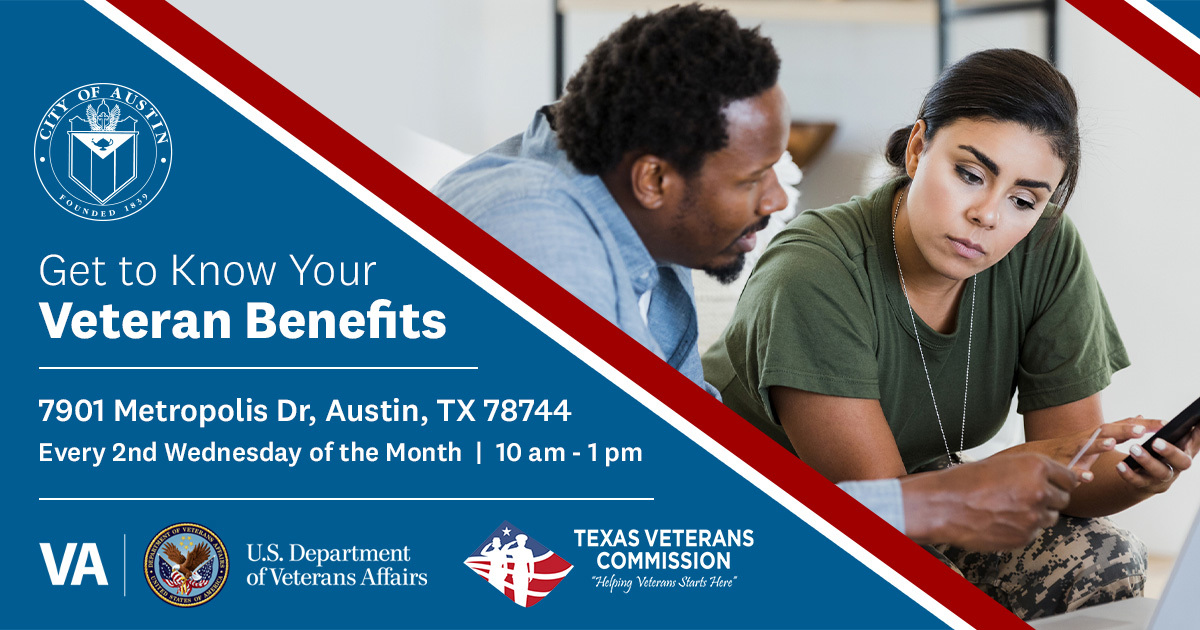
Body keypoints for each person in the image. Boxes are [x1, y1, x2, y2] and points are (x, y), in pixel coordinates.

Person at [434, 7, 1105, 560]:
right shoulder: (537, 234)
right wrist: (933, 501)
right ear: (655, 179)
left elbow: (697, 471)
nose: (775, 203)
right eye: (751, 180)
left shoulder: (642, 239)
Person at [703, 48, 1199, 619]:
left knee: (1102, 557)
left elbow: (1076, 478)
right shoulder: (813, 272)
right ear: (918, 148)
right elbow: (881, 510)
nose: (988, 215)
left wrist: (1142, 474)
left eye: (1023, 199)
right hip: (786, 523)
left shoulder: (1045, 252)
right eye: (970, 174)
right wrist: (1025, 465)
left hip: (929, 493)